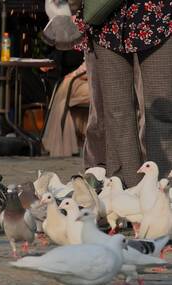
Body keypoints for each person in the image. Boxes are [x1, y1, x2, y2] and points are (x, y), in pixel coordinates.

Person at [74, 0, 172, 186]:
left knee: (162, 108)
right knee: (116, 110)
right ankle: (126, 186)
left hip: (158, 14)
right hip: (106, 17)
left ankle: (163, 186)